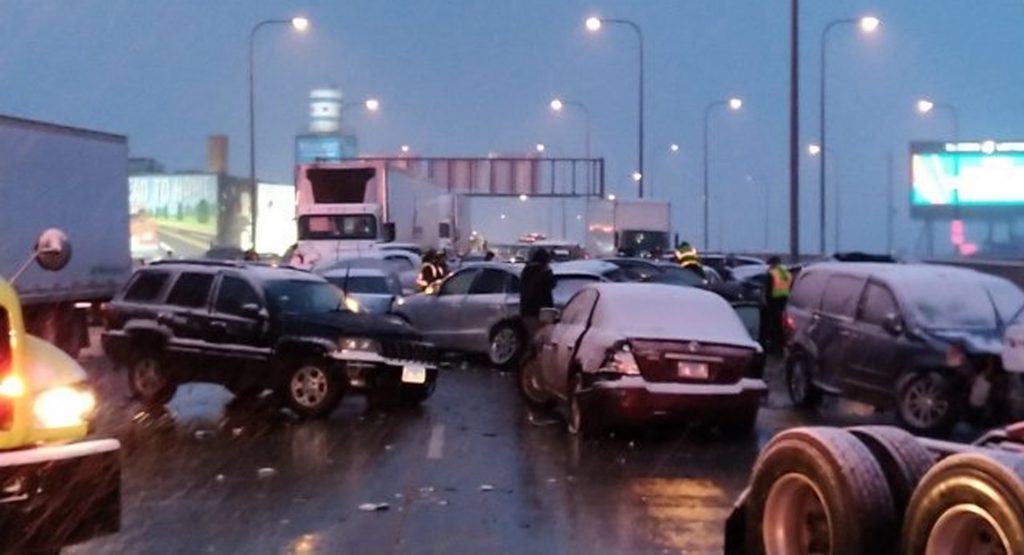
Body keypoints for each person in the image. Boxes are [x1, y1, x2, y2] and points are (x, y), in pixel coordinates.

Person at [519, 247, 555, 340]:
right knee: (544, 337)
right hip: (544, 309)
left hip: (527, 309)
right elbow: (551, 284)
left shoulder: (526, 271)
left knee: (533, 337)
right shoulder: (545, 271)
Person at [765, 256, 793, 354]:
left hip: (774, 302)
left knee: (774, 326)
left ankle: (775, 349)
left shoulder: (772, 273)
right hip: (785, 302)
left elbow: (768, 290)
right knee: (782, 327)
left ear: (773, 263)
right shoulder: (787, 273)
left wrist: (766, 303)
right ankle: (781, 347)